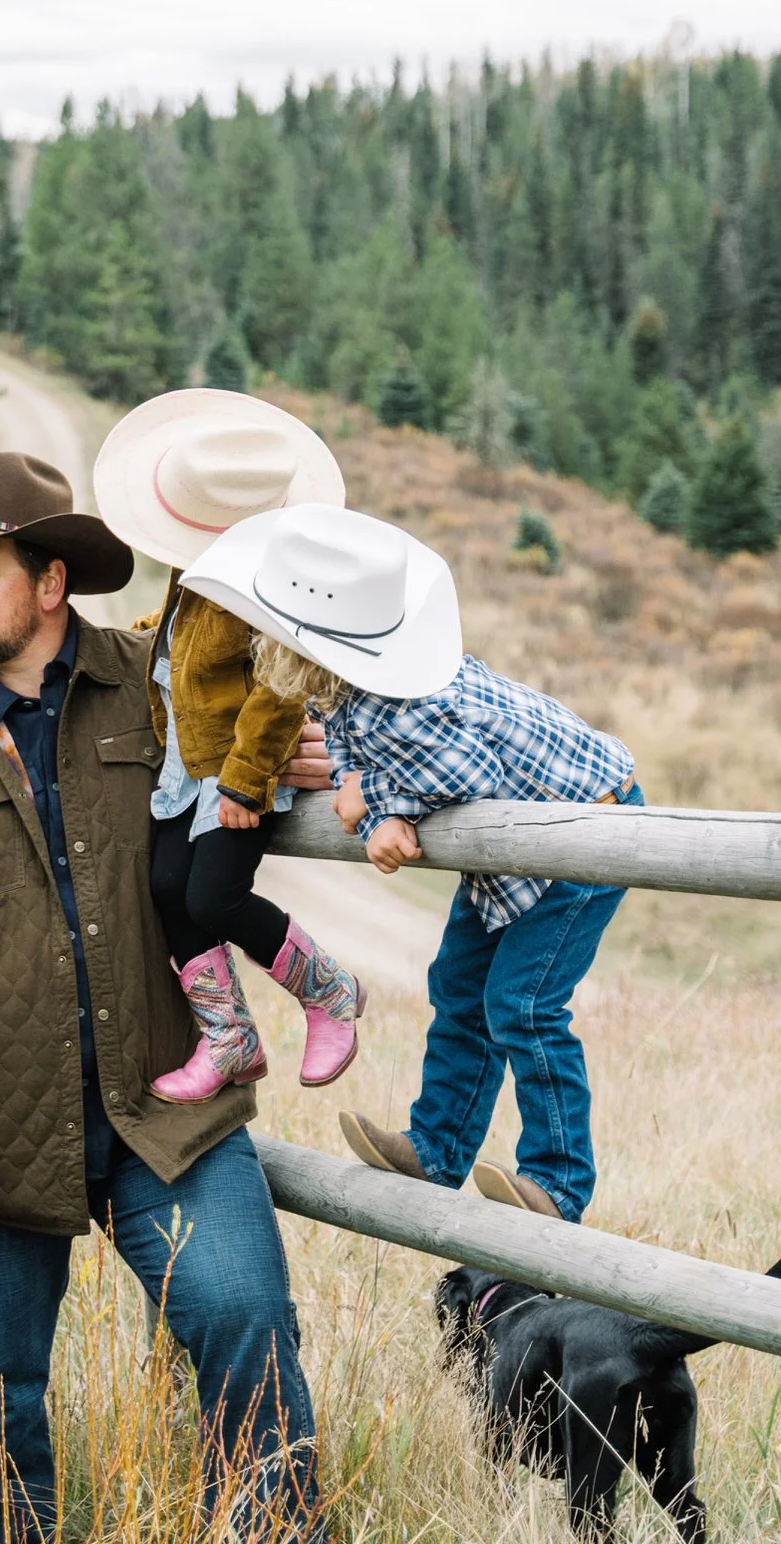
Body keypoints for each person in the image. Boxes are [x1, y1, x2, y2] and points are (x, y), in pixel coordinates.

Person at [0, 449, 326, 1544]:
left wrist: (299, 764)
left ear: (49, 582)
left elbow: (242, 771)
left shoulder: (154, 690)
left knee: (245, 1324)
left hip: (170, 1101)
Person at [181, 502, 640, 1224]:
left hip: (586, 829)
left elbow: (463, 772)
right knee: (458, 987)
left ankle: (557, 1182)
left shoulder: (410, 700)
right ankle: (437, 1150)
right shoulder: (352, 689)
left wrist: (382, 802)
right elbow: (356, 754)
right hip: (515, 849)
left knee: (521, 1003)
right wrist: (366, 792)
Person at [93, 389, 364, 1102]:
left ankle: (329, 990)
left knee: (214, 895)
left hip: (236, 772)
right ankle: (228, 1036)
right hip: (190, 762)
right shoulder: (194, 567)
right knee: (164, 887)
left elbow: (282, 686)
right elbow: (181, 634)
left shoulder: (272, 583)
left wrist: (248, 779)